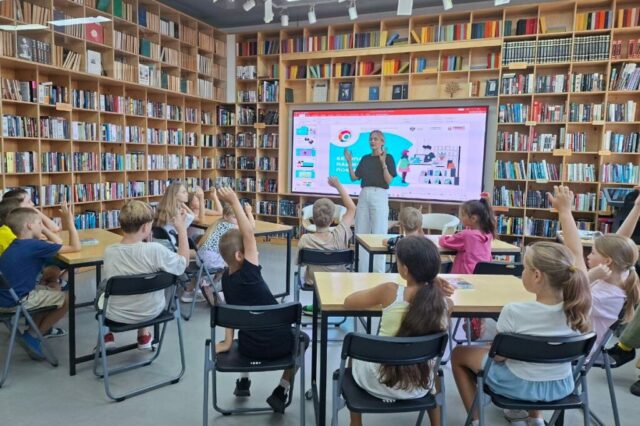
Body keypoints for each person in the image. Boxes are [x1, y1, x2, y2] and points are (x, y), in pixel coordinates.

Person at [451, 241, 592, 426]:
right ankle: (536, 419)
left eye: (525, 268)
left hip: (519, 386)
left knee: (459, 354)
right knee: (540, 354)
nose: (522, 272)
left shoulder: (514, 311)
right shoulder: (579, 311)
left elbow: (499, 357)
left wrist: (490, 348)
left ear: (537, 275)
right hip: (561, 386)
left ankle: (476, 421)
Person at [214, 187, 308, 414]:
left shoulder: (226, 280)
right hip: (280, 344)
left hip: (249, 349)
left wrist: (227, 342)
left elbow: (230, 313)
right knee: (304, 339)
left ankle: (243, 381)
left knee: (247, 329)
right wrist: (234, 201)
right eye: (250, 250)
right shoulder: (250, 273)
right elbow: (248, 235)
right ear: (240, 255)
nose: (255, 251)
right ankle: (282, 390)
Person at [343, 236, 452, 426]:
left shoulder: (389, 291)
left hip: (379, 381)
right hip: (420, 385)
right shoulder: (445, 304)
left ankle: (356, 423)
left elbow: (348, 302)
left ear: (405, 270)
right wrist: (432, 280)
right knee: (434, 370)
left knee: (354, 356)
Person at [550, 185, 639, 357]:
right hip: (573, 343)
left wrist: (565, 211)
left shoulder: (603, 297)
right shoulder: (621, 274)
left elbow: (575, 252)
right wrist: (637, 208)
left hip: (572, 351)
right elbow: (620, 241)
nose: (588, 256)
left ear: (607, 261)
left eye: (593, 252)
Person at [100, 200, 188, 350]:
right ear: (146, 227)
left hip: (117, 315)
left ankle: (106, 335)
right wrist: (182, 229)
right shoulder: (155, 250)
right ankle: (144, 336)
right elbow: (183, 263)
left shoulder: (109, 251)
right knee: (144, 282)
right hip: (152, 312)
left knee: (103, 289)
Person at [0, 203, 81, 359]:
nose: (42, 227)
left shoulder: (15, 244)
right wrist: (70, 221)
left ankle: (34, 330)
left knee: (53, 288)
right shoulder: (34, 245)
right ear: (30, 226)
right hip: (16, 302)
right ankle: (34, 335)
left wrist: (40, 227)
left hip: (5, 298)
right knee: (69, 298)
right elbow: (75, 247)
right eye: (39, 223)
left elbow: (57, 245)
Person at [297, 177, 356, 315]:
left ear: (312, 218)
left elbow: (300, 263)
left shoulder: (305, 239)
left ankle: (318, 307)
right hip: (338, 280)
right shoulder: (340, 234)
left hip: (313, 282)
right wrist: (338, 185)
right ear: (333, 219)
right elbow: (352, 208)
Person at [344, 130, 397, 272]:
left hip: (379, 194)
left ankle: (378, 272)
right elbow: (354, 177)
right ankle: (362, 271)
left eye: (375, 139)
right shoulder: (365, 158)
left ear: (382, 142)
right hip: (364, 194)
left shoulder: (388, 157)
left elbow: (389, 180)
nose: (372, 141)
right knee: (361, 232)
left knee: (379, 232)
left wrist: (383, 163)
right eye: (371, 139)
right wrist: (349, 162)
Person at [154, 182, 199, 301]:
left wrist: (181, 204)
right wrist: (184, 205)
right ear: (175, 195)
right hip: (173, 251)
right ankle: (193, 287)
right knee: (201, 252)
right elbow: (194, 217)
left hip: (163, 248)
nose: (187, 194)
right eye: (183, 192)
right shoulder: (177, 214)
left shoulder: (163, 210)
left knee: (197, 242)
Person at [439, 196, 496, 274]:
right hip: (481, 274)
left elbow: (444, 242)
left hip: (464, 276)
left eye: (463, 215)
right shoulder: (488, 234)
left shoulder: (466, 235)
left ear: (473, 219)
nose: (461, 217)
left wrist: (442, 237)